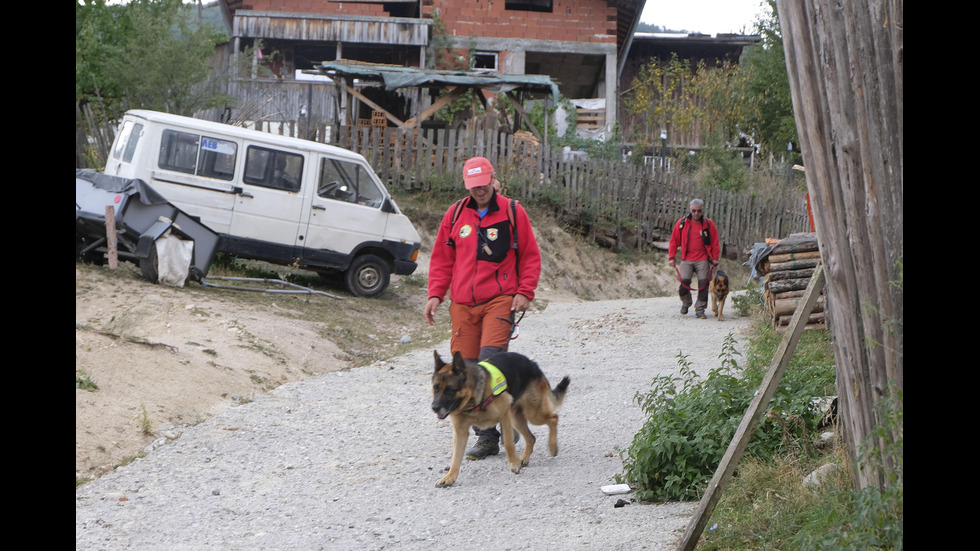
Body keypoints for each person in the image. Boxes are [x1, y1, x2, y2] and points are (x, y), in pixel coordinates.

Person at [424, 156, 542, 460]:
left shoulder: (513, 212)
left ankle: (502, 424)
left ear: (493, 180)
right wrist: (436, 294)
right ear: (467, 185)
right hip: (462, 304)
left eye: (484, 185)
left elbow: (529, 255)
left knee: (489, 364)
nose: (480, 191)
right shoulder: (455, 215)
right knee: (464, 367)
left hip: (500, 298)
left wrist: (525, 291)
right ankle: (488, 436)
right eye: (474, 186)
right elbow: (441, 259)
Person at [667, 198, 720, 319]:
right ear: (690, 210)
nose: (696, 213)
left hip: (703, 259)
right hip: (686, 258)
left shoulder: (708, 224)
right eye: (694, 211)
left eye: (699, 211)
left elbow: (715, 242)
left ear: (702, 211)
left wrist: (715, 258)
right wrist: (672, 257)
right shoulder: (682, 223)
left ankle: (700, 309)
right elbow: (674, 241)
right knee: (684, 283)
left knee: (703, 284)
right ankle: (686, 302)